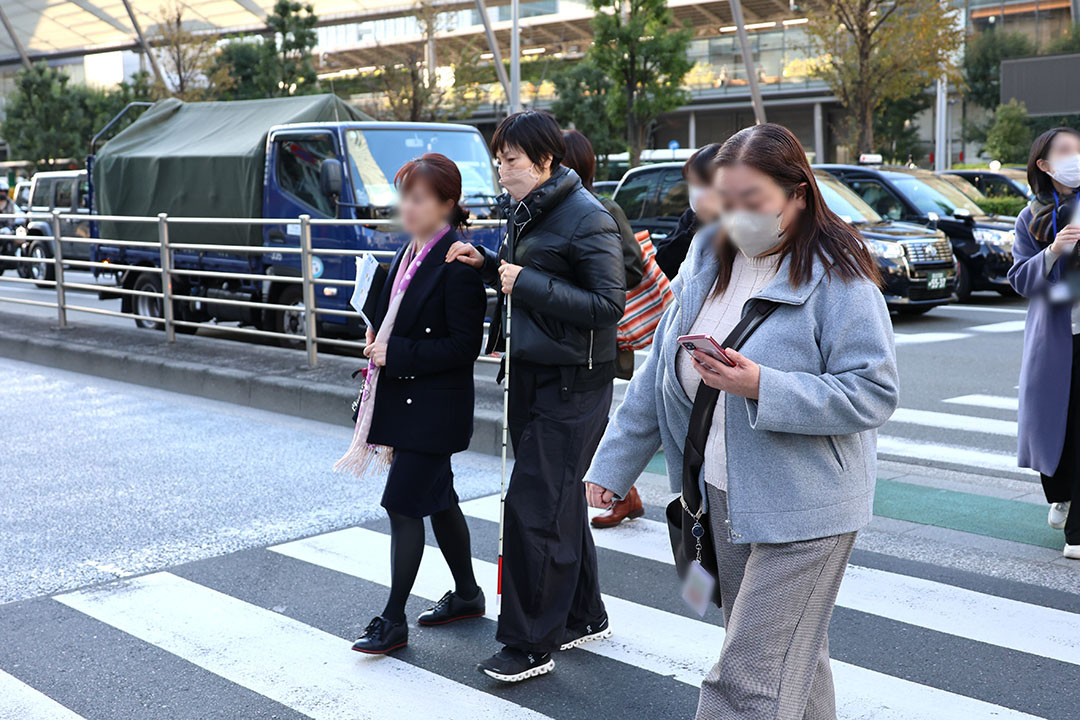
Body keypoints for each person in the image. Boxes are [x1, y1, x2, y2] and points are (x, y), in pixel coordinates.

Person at [582, 123, 899, 719]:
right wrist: (615, 462)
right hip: (721, 494)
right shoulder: (707, 255)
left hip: (807, 507)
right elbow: (659, 368)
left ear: (797, 194)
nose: (739, 215)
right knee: (792, 662)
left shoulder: (840, 277)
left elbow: (873, 392)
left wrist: (762, 385)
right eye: (728, 201)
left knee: (746, 682)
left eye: (754, 201)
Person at [445, 110, 625, 682]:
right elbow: (531, 279)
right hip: (534, 375)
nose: (502, 171)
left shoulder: (586, 217)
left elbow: (606, 306)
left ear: (545, 161)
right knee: (556, 501)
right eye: (498, 160)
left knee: (533, 509)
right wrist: (492, 265)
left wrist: (523, 279)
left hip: (574, 381)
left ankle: (529, 643)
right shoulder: (532, 210)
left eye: (512, 160)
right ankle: (582, 613)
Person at [340, 153, 488, 654]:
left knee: (403, 505)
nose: (407, 206)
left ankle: (392, 620)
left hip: (433, 410)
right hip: (408, 404)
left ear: (447, 204)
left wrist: (395, 350)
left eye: (418, 198)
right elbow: (392, 324)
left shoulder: (457, 262)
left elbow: (464, 347)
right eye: (404, 196)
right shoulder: (408, 256)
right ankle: (467, 595)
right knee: (439, 501)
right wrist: (374, 330)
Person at [1008, 126, 1080, 560]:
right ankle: (1060, 491)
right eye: (1067, 151)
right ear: (1045, 165)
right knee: (1059, 433)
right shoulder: (1030, 217)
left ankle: (1078, 534)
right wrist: (1053, 250)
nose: (1077, 157)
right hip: (1056, 340)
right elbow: (1019, 279)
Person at [654, 143, 723, 280]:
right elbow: (665, 263)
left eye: (699, 183)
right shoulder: (691, 217)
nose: (695, 191)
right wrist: (697, 226)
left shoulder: (736, 221)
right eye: (691, 183)